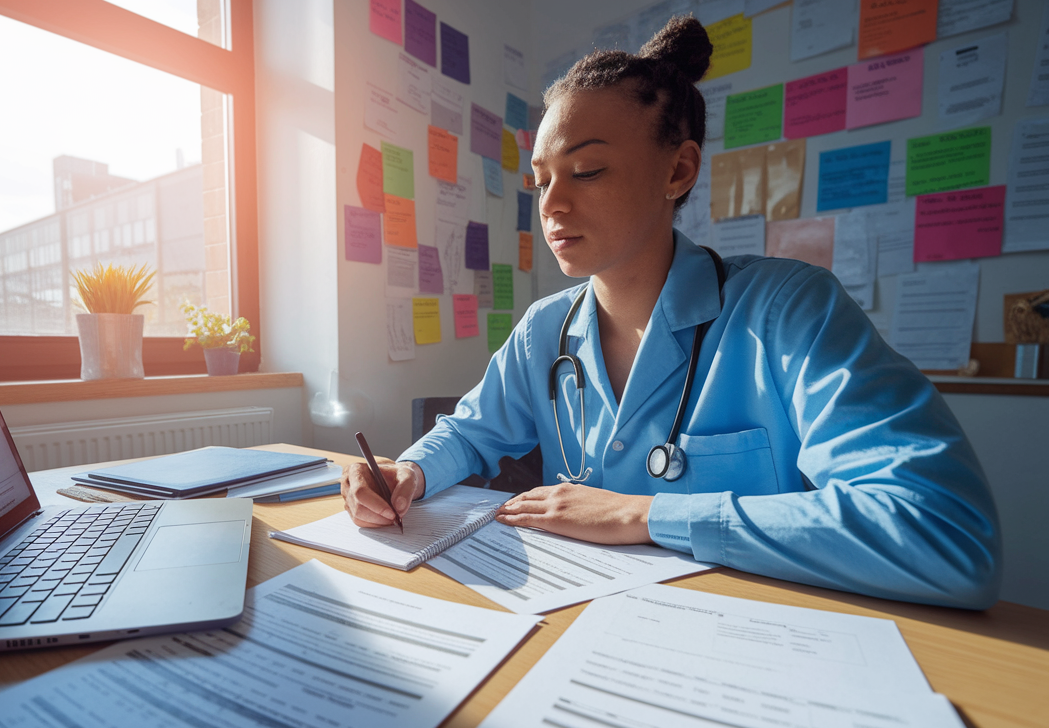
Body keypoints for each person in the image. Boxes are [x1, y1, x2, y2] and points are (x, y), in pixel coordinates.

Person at [340, 15, 1000, 609]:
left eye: (587, 170)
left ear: (678, 170)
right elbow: (472, 433)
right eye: (541, 179)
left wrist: (649, 515)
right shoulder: (546, 327)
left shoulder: (790, 311)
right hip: (571, 625)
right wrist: (411, 470)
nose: (551, 203)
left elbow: (944, 534)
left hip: (749, 642)